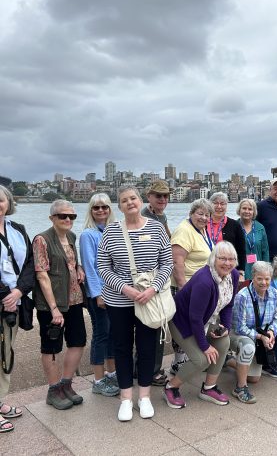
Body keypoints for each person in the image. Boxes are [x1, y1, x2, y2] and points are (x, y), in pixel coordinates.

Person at [98, 186, 173, 421]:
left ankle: (145, 396)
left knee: (147, 347)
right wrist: (126, 289)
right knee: (121, 348)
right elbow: (102, 267)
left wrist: (153, 288)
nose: (129, 203)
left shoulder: (157, 228)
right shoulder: (110, 232)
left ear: (140, 201)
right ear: (119, 206)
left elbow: (167, 263)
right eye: (124, 200)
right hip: (119, 301)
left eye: (133, 198)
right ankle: (125, 398)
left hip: (150, 299)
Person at [163, 242, 239, 409]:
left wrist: (225, 327)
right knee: (201, 359)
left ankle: (208, 387)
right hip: (182, 322)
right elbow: (194, 318)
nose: (227, 263)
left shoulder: (233, 275)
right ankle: (171, 387)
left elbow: (228, 304)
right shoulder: (205, 281)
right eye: (223, 258)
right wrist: (205, 346)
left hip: (206, 319)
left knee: (223, 342)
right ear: (213, 259)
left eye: (231, 259)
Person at [33, 200, 86, 411]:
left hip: (74, 299)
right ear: (52, 218)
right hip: (52, 305)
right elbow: (42, 275)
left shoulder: (71, 237)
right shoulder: (42, 240)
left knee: (78, 342)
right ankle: (53, 390)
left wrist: (79, 267)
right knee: (51, 347)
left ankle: (66, 384)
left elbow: (71, 261)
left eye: (71, 216)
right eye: (62, 216)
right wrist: (54, 308)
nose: (67, 220)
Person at [0, 185, 35, 433]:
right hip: (4, 301)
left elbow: (31, 264)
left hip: (15, 302)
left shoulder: (18, 230)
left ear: (8, 203)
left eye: (0, 200)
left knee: (5, 354)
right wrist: (6, 295)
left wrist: (19, 292)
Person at [79, 193, 119, 397]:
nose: (101, 211)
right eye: (96, 208)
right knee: (101, 334)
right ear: (91, 211)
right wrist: (97, 293)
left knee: (113, 334)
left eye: (104, 207)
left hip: (116, 292)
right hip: (100, 294)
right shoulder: (88, 234)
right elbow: (89, 267)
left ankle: (112, 373)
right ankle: (98, 379)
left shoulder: (113, 231)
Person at [169, 198, 214, 374]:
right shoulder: (184, 230)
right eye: (200, 213)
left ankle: (189, 359)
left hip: (198, 287)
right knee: (182, 325)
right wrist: (183, 287)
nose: (203, 217)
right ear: (191, 213)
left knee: (192, 322)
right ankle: (178, 363)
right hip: (185, 287)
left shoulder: (201, 230)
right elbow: (176, 261)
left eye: (207, 215)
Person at [228, 261, 277, 404]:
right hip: (239, 334)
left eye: (267, 279)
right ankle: (240, 388)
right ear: (253, 277)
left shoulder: (275, 294)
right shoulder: (243, 296)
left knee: (254, 379)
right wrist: (260, 337)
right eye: (259, 278)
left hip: (260, 335)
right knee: (248, 348)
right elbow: (240, 327)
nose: (263, 282)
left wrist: (270, 333)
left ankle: (227, 361)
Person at [141, 180, 172, 386]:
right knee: (150, 327)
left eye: (165, 196)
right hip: (146, 281)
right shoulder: (144, 217)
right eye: (158, 196)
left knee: (158, 325)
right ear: (149, 196)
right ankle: (148, 370)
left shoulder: (161, 216)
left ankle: (152, 368)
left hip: (159, 278)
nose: (162, 199)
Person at [208, 193, 246, 279]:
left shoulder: (235, 225)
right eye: (215, 203)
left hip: (228, 269)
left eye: (222, 203)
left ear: (226, 206)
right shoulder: (203, 223)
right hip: (205, 267)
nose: (219, 206)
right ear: (210, 205)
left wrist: (240, 272)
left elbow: (241, 250)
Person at [237, 198, 269, 280]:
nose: (247, 211)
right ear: (239, 210)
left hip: (258, 270)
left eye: (250, 209)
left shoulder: (260, 227)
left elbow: (265, 251)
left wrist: (266, 270)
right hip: (239, 271)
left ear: (254, 212)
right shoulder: (234, 226)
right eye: (244, 208)